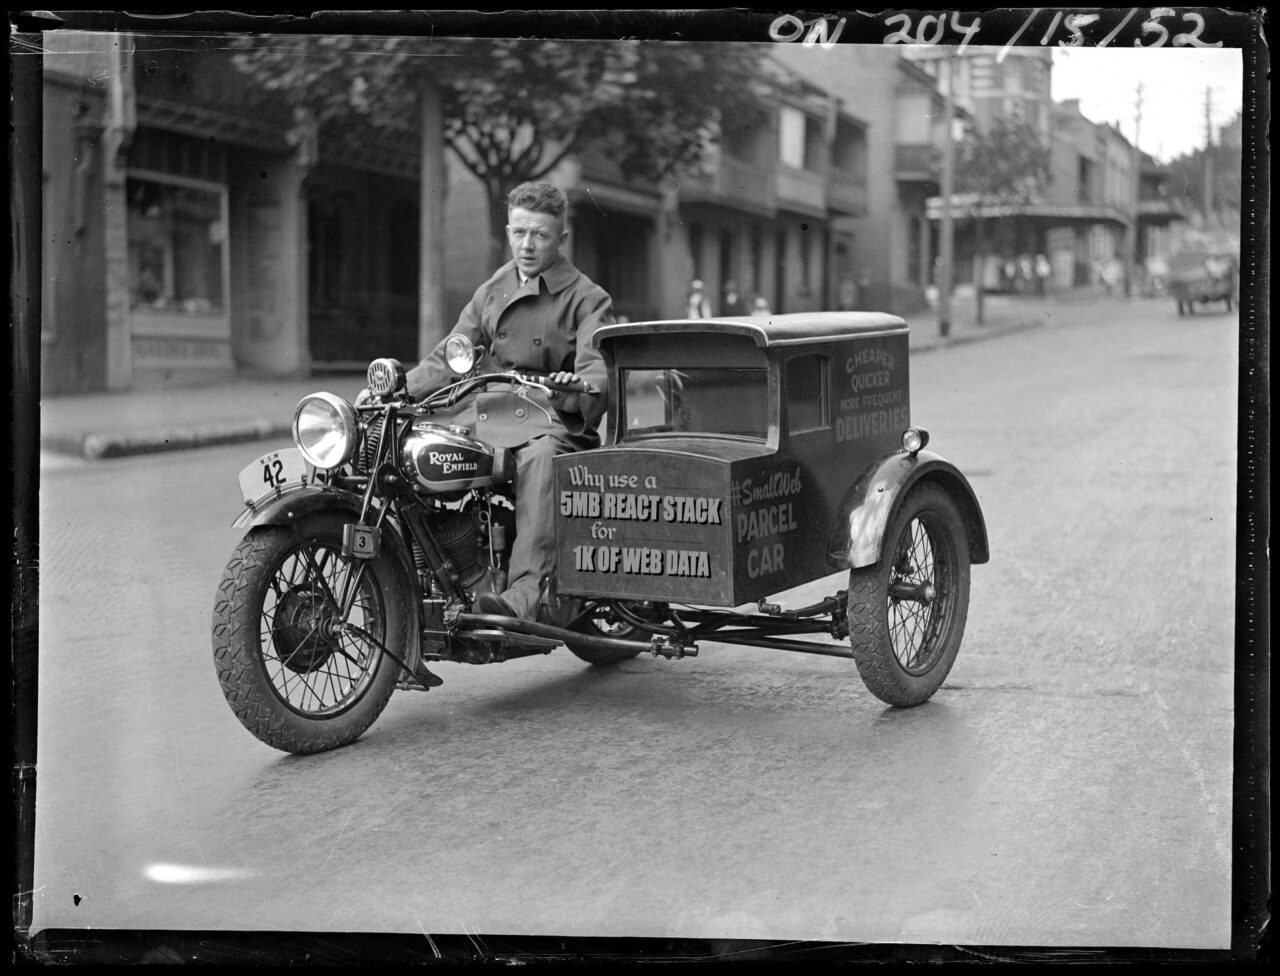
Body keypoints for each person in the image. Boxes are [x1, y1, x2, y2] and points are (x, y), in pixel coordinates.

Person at [405, 181, 613, 621]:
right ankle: (430, 576)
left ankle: (526, 592)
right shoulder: (492, 289)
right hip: (492, 407)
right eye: (519, 232)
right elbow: (454, 352)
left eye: (539, 234)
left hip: (552, 415)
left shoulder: (586, 296)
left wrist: (572, 385)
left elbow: (597, 368)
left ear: (561, 239)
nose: (528, 244)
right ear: (507, 231)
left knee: (539, 460)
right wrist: (399, 389)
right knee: (416, 449)